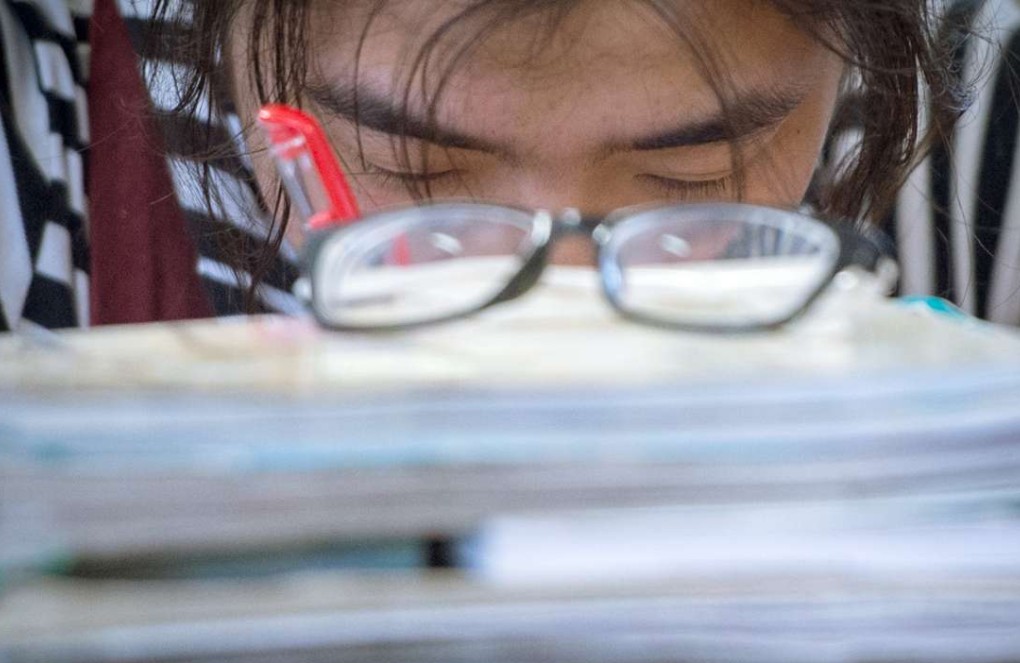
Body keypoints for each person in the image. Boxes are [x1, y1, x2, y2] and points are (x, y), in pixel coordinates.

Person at [1, 0, 1014, 329]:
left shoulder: (986, 112)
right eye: (414, 159)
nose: (559, 310)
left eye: (696, 167)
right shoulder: (38, 117)